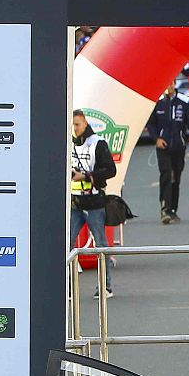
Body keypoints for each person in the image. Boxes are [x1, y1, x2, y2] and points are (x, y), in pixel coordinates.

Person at [69, 109, 116, 293]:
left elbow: (111, 170)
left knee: (101, 246)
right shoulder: (67, 142)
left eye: (77, 124)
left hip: (95, 202)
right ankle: (68, 287)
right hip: (74, 203)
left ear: (85, 124)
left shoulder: (97, 143)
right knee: (66, 244)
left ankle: (105, 286)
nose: (74, 128)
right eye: (72, 124)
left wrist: (87, 176)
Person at [150, 82, 189, 224]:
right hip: (163, 147)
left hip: (179, 147)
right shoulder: (158, 102)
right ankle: (164, 210)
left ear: (174, 84)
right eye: (166, 84)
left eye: (171, 84)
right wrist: (157, 138)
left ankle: (173, 209)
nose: (168, 87)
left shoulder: (184, 101)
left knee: (176, 178)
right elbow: (151, 124)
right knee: (166, 175)